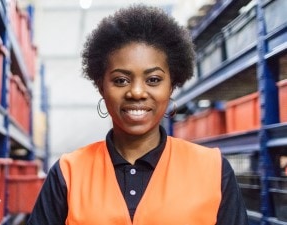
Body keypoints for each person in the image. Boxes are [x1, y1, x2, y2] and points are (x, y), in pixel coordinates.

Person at [27, 4, 248, 225]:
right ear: (101, 86)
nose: (137, 92)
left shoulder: (213, 169)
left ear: (171, 86)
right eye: (121, 80)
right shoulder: (68, 173)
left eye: (153, 80)